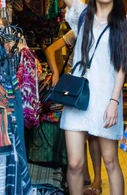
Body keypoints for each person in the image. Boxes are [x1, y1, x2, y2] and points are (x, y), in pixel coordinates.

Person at [50, 0, 127, 195]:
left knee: (111, 162)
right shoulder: (81, 14)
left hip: (105, 100)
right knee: (76, 164)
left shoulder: (124, 24)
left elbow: (122, 64)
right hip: (78, 98)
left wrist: (114, 101)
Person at [44, 30, 103, 194]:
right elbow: (50, 49)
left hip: (93, 87)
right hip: (75, 87)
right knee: (79, 133)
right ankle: (85, 175)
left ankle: (97, 178)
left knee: (93, 134)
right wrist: (56, 72)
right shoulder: (77, 30)